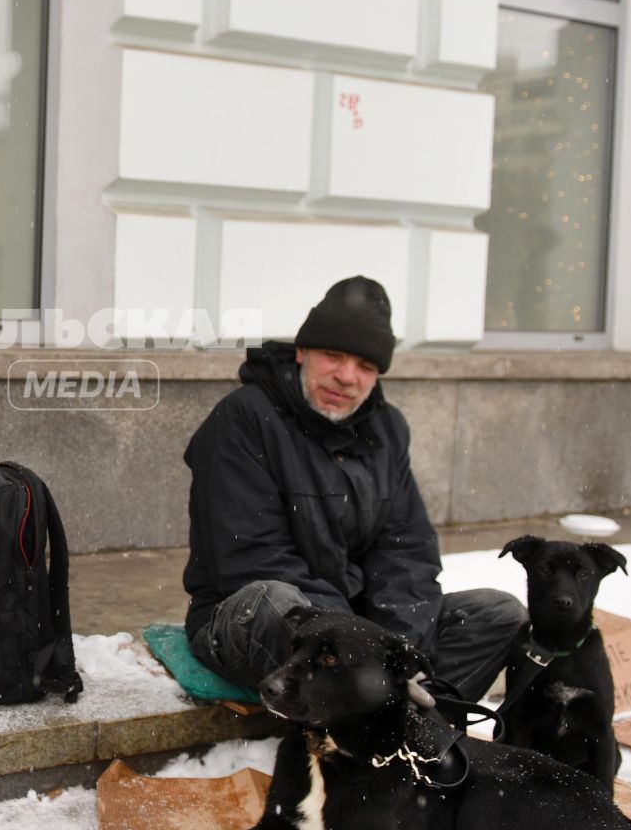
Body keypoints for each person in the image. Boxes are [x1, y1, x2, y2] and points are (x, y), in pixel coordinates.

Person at [181, 276, 525, 702]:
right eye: (334, 356)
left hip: (356, 631)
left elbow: (406, 551)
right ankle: (379, 701)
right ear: (302, 352)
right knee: (273, 598)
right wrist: (363, 648)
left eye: (365, 366)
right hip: (252, 619)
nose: (346, 377)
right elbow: (252, 558)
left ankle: (415, 721)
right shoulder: (245, 417)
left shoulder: (387, 428)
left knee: (497, 613)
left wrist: (400, 646)